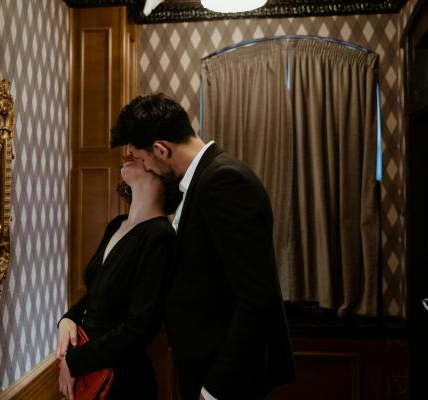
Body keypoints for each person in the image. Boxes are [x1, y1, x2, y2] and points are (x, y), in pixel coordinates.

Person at [110, 93, 296, 400]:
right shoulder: (199, 182)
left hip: (224, 376)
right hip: (203, 366)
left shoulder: (224, 181)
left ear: (161, 149)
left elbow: (255, 299)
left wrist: (215, 390)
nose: (145, 166)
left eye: (142, 157)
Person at [56, 152, 179, 399]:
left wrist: (75, 362)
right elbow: (96, 293)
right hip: (90, 370)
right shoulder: (117, 224)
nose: (128, 154)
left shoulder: (160, 236)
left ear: (160, 168)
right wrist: (68, 318)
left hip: (123, 381)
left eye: (139, 151)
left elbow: (139, 329)